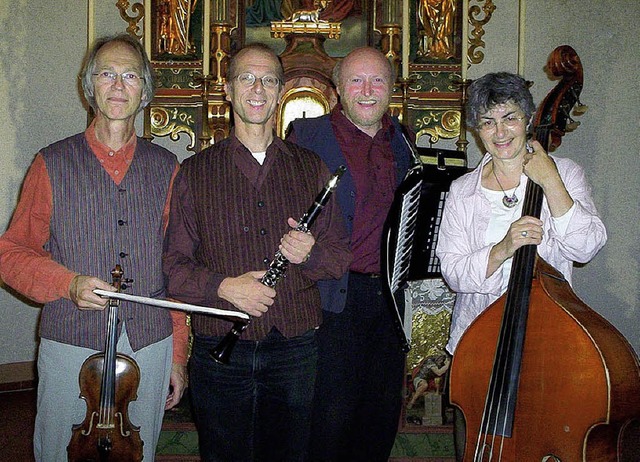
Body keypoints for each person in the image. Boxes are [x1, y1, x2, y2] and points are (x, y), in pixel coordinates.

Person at [0, 34, 189, 461]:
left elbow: (175, 267)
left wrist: (177, 354)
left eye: (130, 75)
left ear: (145, 90)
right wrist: (68, 284)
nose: (118, 85)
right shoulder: (51, 163)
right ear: (90, 86)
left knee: (139, 451)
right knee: (57, 449)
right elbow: (11, 254)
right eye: (107, 73)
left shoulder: (168, 168)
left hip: (151, 342)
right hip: (70, 339)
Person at [162, 43, 351, 462]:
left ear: (281, 90)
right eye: (246, 77)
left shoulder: (310, 166)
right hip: (219, 350)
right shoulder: (194, 172)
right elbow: (174, 271)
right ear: (227, 89)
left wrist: (310, 253)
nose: (258, 88)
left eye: (268, 79)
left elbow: (339, 257)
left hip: (296, 347)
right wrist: (225, 288)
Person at [435, 71, 607, 458]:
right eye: (487, 122)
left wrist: (551, 183)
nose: (500, 132)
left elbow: (586, 247)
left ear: (528, 118)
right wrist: (502, 248)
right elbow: (454, 272)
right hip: (477, 340)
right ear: (477, 129)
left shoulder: (566, 174)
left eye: (509, 117)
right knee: (477, 437)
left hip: (551, 340)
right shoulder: (463, 191)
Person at [287, 46, 413, 461]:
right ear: (337, 88)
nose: (367, 90)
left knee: (379, 417)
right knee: (328, 419)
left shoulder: (404, 143)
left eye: (377, 80)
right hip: (332, 297)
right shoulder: (306, 136)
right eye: (356, 80)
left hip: (390, 299)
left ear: (391, 89)